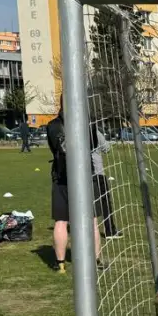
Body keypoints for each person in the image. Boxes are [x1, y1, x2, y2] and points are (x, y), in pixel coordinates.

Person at [45, 106, 101, 274]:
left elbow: (54, 147)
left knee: (61, 221)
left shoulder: (53, 125)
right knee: (91, 220)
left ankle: (60, 262)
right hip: (82, 175)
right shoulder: (87, 123)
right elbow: (92, 145)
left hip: (63, 177)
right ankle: (95, 259)